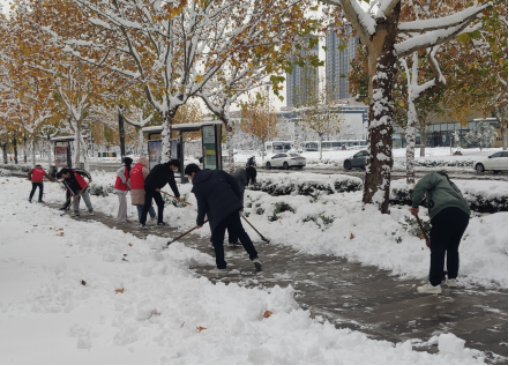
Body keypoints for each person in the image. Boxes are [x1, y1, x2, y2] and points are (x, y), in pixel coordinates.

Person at [185, 163, 262, 274]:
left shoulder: (198, 186)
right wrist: (237, 199)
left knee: (218, 240)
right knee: (241, 233)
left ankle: (221, 266)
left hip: (218, 213)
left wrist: (199, 221)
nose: (190, 179)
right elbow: (234, 182)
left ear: (193, 173)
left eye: (189, 177)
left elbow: (202, 205)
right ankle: (254, 257)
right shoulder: (217, 172)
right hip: (232, 207)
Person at [410, 171, 471, 294]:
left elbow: (421, 185)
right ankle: (452, 279)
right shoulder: (451, 185)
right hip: (463, 214)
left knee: (438, 247)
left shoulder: (433, 176)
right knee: (452, 247)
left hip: (445, 211)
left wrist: (415, 205)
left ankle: (434, 284)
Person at [139, 160, 181, 230]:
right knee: (147, 204)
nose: (176, 169)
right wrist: (155, 186)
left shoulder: (170, 172)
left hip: (156, 189)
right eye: (176, 167)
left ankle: (160, 221)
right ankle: (142, 223)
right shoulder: (159, 167)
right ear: (172, 165)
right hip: (149, 187)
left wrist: (177, 195)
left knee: (161, 203)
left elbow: (172, 184)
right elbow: (149, 178)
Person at [225, 166, 257, 246]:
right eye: (251, 176)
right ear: (249, 174)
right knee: (223, 222)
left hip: (234, 203)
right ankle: (214, 241)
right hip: (227, 200)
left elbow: (241, 194)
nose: (250, 179)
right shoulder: (238, 174)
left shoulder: (244, 179)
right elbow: (226, 182)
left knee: (234, 222)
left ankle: (233, 241)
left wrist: (240, 208)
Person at [130, 156, 156, 223]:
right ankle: (152, 217)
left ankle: (142, 220)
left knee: (139, 206)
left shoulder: (133, 169)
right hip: (143, 189)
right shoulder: (143, 169)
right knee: (147, 203)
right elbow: (149, 180)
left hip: (133, 189)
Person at [114, 157, 133, 224]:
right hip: (120, 188)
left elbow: (128, 178)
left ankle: (124, 217)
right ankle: (121, 218)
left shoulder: (127, 168)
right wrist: (123, 179)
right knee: (123, 204)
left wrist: (128, 185)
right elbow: (119, 172)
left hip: (123, 188)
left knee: (124, 204)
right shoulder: (124, 167)